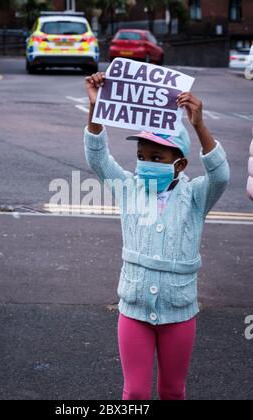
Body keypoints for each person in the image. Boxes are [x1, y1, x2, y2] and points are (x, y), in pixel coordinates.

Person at [83, 72, 230, 400]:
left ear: (179, 165)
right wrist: (94, 109)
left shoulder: (195, 197)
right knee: (134, 392)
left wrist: (199, 125)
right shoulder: (129, 188)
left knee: (172, 391)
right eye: (142, 157)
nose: (146, 164)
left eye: (157, 158)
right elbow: (97, 159)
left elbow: (220, 176)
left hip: (179, 312)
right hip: (134, 310)